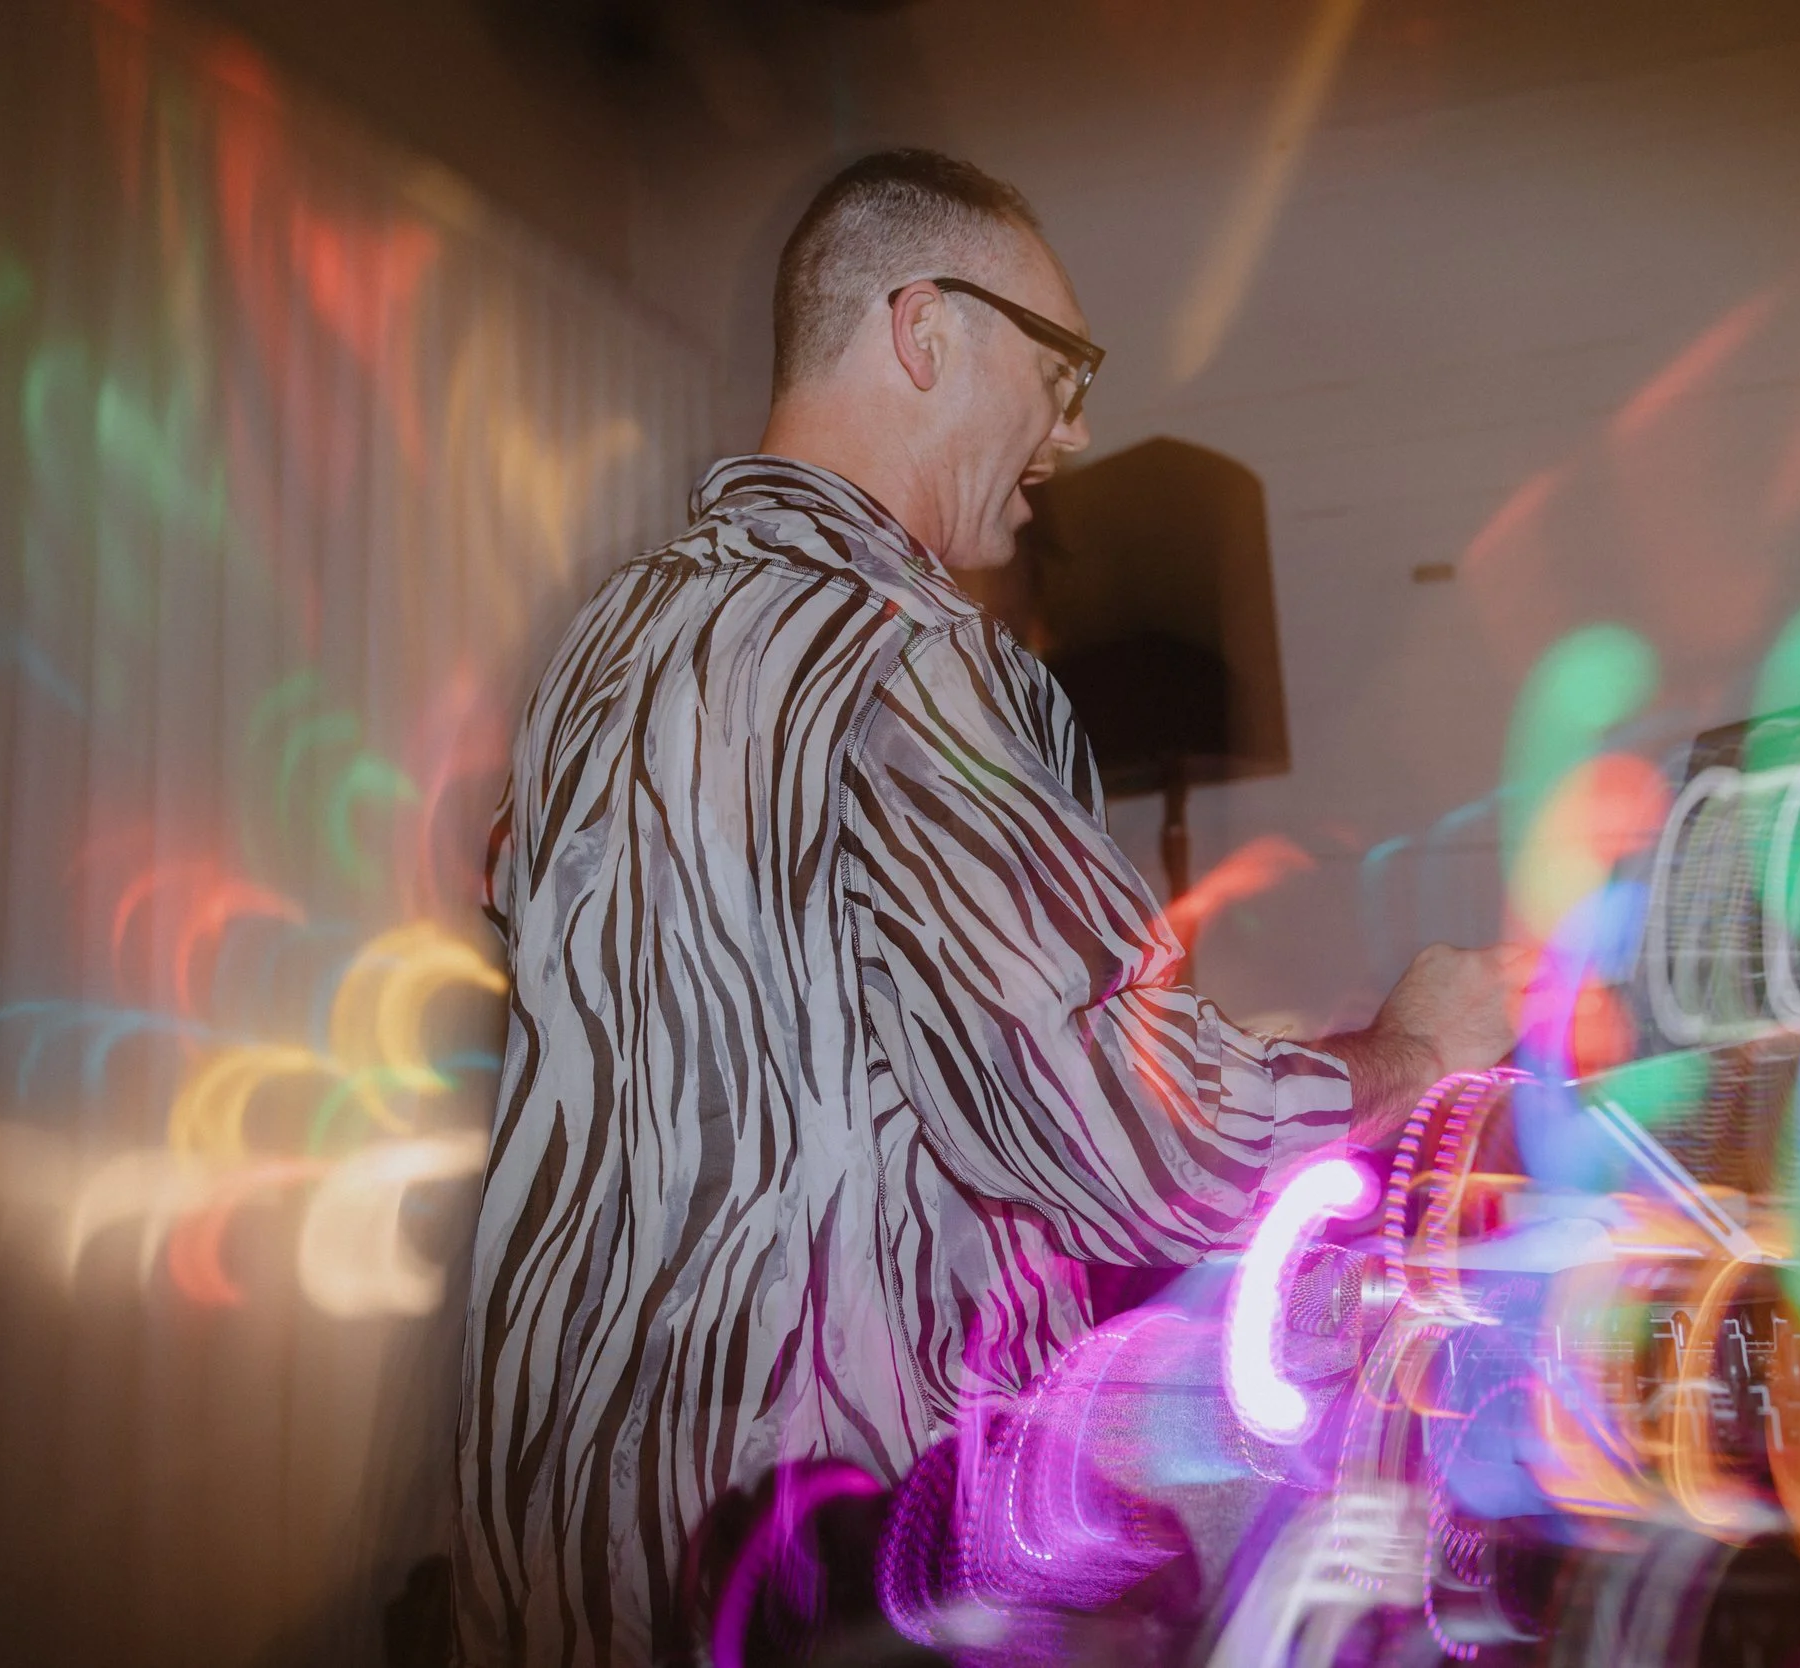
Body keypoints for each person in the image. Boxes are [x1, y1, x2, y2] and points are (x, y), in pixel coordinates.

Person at [451, 149, 1518, 1667]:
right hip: (805, 1576)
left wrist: (1174, 1040)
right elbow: (1141, 1152)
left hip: (564, 1561)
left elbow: (791, 1038)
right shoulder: (899, 647)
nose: (1073, 430)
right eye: (1061, 365)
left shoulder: (603, 647)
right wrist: (1413, 1052)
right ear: (923, 329)